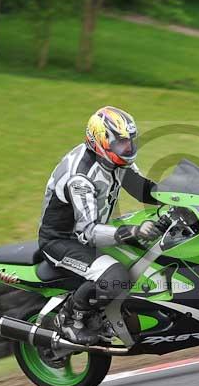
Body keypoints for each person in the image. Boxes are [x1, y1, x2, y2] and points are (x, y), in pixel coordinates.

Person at [38, 106, 166, 345]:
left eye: (129, 141)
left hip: (94, 230)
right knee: (116, 276)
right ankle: (71, 319)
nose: (127, 148)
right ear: (100, 141)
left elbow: (142, 189)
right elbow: (87, 232)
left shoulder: (116, 162)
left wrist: (180, 194)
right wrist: (134, 232)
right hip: (63, 240)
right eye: (120, 143)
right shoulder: (81, 178)